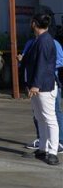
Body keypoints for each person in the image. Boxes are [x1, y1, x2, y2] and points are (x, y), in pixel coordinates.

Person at [20, 13, 59, 165]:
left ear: (34, 23)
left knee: (49, 118)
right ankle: (42, 148)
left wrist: (35, 85)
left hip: (43, 86)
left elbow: (42, 65)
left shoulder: (44, 41)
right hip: (38, 86)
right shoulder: (41, 39)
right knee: (40, 117)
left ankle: (53, 152)